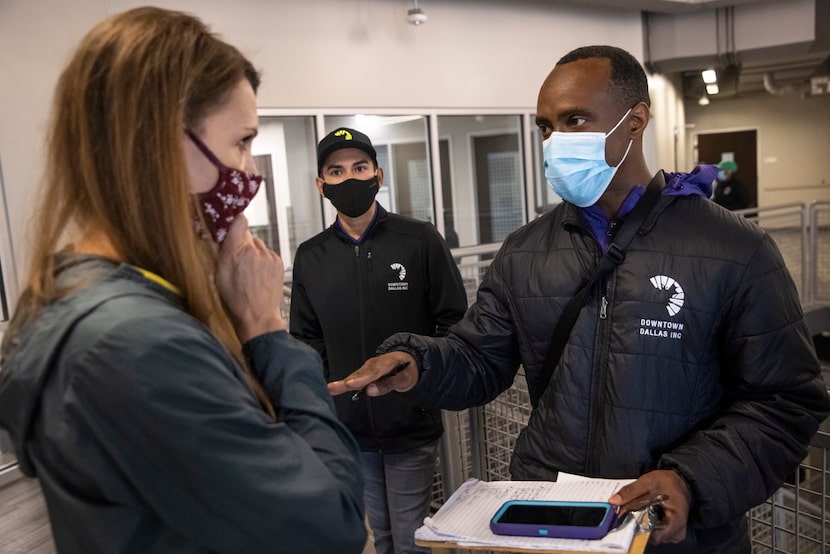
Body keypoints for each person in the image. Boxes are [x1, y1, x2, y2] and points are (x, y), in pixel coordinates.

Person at [329, 46, 830, 553]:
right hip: (552, 519)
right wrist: (418, 362)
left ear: (634, 122)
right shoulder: (526, 250)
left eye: (575, 120)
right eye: (546, 127)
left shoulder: (735, 250)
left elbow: (784, 401)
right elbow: (480, 356)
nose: (555, 142)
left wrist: (690, 479)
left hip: (672, 532)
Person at [0, 8, 366, 553]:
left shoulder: (65, 297)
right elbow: (328, 525)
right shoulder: (136, 343)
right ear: (157, 144)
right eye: (241, 141)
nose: (250, 171)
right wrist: (266, 327)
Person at [290, 127, 467, 554]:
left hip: (409, 422)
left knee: (410, 538)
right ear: (321, 185)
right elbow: (306, 339)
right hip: (349, 428)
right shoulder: (311, 257)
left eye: (359, 167)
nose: (349, 178)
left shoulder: (419, 240)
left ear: (378, 175)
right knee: (379, 537)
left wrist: (423, 383)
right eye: (336, 171)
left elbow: (454, 322)